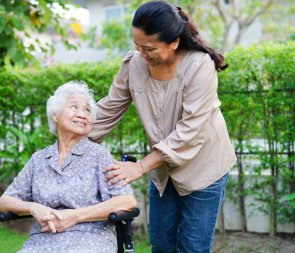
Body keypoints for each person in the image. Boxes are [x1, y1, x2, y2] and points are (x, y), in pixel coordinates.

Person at [88, 1, 237, 253]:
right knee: (161, 244)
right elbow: (109, 108)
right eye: (136, 45)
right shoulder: (134, 64)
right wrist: (72, 136)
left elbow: (190, 130)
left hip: (204, 168)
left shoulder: (199, 66)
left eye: (148, 48)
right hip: (164, 171)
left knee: (193, 247)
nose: (141, 54)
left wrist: (140, 167)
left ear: (174, 42)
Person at [0, 81, 137, 253]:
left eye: (87, 110)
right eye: (75, 107)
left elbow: (127, 201)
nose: (83, 114)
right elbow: (4, 202)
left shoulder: (99, 156)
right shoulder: (39, 159)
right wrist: (33, 207)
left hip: (89, 240)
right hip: (42, 241)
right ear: (55, 115)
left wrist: (74, 216)